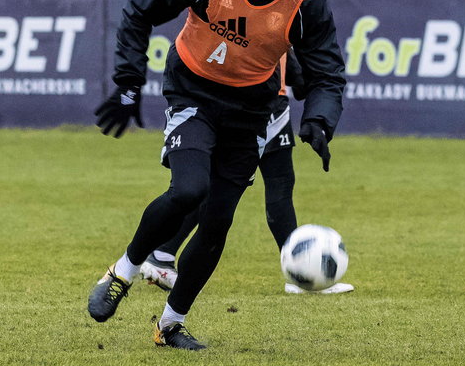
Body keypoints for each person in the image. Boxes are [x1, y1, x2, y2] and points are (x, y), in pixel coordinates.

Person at [87, 0, 346, 350]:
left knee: (218, 222)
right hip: (193, 93)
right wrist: (127, 85)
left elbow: (328, 70)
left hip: (252, 108)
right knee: (190, 189)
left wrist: (321, 119)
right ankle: (122, 270)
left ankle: (169, 325)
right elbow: (140, 9)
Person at [140, 51, 354, 296]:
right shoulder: (274, 17)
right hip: (259, 102)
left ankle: (162, 254)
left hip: (241, 99)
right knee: (273, 186)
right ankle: (302, 272)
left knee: (217, 187)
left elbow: (288, 62)